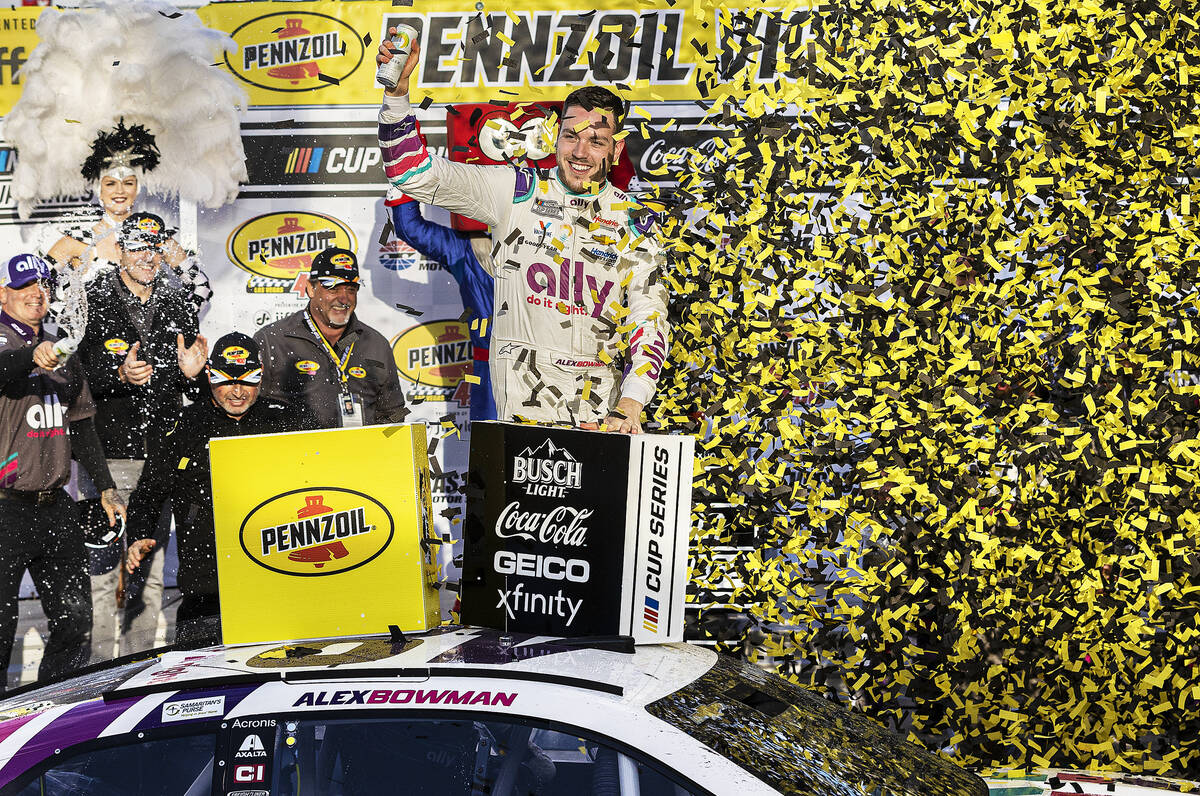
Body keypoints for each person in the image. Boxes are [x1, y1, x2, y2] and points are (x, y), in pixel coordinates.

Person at [376, 33, 669, 432]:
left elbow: (648, 320)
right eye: (570, 137)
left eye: (596, 141)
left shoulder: (634, 222)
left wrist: (631, 403)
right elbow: (412, 173)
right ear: (555, 137)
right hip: (517, 415)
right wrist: (397, 96)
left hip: (601, 420)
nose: (580, 153)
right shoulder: (516, 190)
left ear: (616, 150)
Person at [77, 212, 208, 662]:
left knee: (148, 574)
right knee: (100, 574)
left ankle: (135, 670)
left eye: (154, 249)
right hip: (107, 457)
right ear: (120, 251)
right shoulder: (91, 299)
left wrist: (194, 377)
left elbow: (190, 381)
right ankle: (92, 679)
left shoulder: (179, 301)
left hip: (160, 457)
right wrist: (115, 373)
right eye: (137, 248)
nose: (148, 258)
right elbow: (71, 379)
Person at [125, 333, 307, 645]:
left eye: (248, 381)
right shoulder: (184, 424)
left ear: (261, 374)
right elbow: (149, 491)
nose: (237, 392)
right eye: (226, 381)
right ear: (209, 376)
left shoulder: (285, 420)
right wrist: (139, 533)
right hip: (206, 583)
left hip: (277, 574)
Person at [0, 254, 125, 690]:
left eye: (43, 286)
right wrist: (31, 357)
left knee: (75, 620)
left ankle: (54, 711)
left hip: (55, 507)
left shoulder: (62, 347)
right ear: (3, 293)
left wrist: (106, 486)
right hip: (5, 510)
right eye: (24, 286)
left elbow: (83, 423)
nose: (37, 294)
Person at [39, 121, 212, 316]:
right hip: (92, 345)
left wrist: (177, 323)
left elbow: (201, 285)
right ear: (100, 191)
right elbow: (36, 285)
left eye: (128, 183)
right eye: (111, 184)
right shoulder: (78, 241)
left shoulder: (157, 238)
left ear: (137, 190)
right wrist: (71, 320)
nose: (120, 191)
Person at [254, 247, 407, 429]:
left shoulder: (376, 344)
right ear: (311, 288)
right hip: (294, 455)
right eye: (333, 288)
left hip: (358, 455)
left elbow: (395, 412)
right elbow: (252, 411)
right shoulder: (273, 340)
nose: (344, 299)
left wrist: (380, 448)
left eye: (351, 289)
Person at [386, 192, 496, 421]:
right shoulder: (472, 248)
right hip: (491, 380)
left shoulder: (564, 242)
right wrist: (402, 173)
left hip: (557, 373)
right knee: (492, 453)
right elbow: (410, 228)